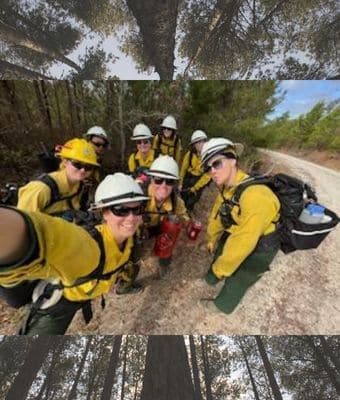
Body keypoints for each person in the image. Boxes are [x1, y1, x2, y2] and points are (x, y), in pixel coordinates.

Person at [0, 173, 149, 335]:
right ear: (103, 212)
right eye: (121, 210)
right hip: (58, 305)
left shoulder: (130, 239)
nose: (132, 218)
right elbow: (47, 237)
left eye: (138, 209)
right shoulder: (90, 246)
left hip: (82, 296)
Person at [200, 138, 281, 314]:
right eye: (208, 167)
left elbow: (242, 243)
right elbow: (217, 215)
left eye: (216, 163)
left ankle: (222, 306)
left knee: (239, 279)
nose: (212, 171)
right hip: (239, 231)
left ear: (233, 159)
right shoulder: (228, 187)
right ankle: (212, 278)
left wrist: (220, 269)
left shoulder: (256, 196)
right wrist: (211, 239)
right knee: (224, 250)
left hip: (263, 246)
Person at [17, 138, 99, 215]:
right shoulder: (40, 189)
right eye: (77, 164)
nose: (83, 170)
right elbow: (21, 224)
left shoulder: (79, 186)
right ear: (65, 161)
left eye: (88, 167)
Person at [143, 155, 190, 276]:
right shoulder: (140, 196)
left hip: (161, 229)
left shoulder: (176, 202)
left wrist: (181, 221)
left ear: (174, 184)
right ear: (151, 179)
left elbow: (184, 217)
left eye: (169, 181)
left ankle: (163, 265)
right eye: (158, 180)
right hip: (142, 229)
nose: (163, 186)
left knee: (170, 239)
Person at [179, 130, 211, 213]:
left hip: (199, 180)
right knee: (183, 196)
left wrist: (195, 188)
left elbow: (207, 176)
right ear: (194, 145)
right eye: (197, 143)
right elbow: (183, 169)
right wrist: (180, 183)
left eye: (202, 142)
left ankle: (189, 211)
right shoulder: (189, 155)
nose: (200, 145)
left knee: (192, 199)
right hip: (188, 177)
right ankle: (182, 211)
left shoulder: (209, 158)